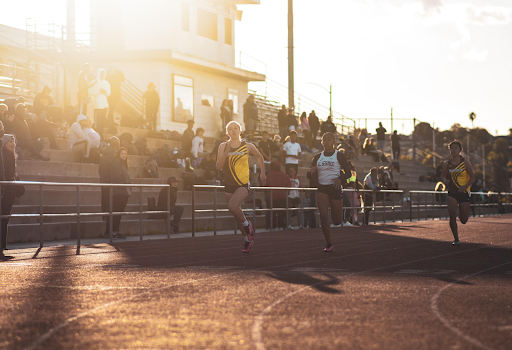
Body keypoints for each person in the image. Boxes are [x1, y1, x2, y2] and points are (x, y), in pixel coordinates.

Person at [216, 121, 266, 253]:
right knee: (235, 213)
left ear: (240, 130)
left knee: (233, 206)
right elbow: (218, 167)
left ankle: (247, 225)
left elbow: (260, 157)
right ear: (227, 132)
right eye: (230, 129)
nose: (233, 131)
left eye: (235, 128)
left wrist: (263, 173)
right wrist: (226, 151)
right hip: (228, 183)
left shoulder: (247, 146)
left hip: (242, 183)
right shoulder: (222, 146)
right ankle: (247, 239)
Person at [307, 132, 351, 252]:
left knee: (337, 221)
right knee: (323, 215)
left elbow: (348, 173)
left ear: (334, 142)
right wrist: (312, 172)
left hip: (335, 188)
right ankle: (329, 243)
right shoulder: (317, 157)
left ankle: (338, 218)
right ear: (322, 142)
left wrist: (340, 179)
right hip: (322, 188)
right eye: (324, 140)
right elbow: (309, 174)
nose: (326, 142)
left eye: (329, 140)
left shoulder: (339, 155)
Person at [441, 140, 475, 245]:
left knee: (463, 220)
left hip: (464, 192)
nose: (454, 150)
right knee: (452, 213)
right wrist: (444, 180)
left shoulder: (465, 162)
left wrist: (465, 187)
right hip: (452, 192)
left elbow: (472, 177)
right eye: (452, 148)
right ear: (449, 150)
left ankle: (462, 211)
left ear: (460, 150)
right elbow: (442, 175)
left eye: (456, 148)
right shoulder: (447, 163)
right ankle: (456, 238)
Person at [1, 134, 25, 252]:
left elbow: (13, 173)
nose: (13, 144)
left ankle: (3, 244)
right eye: (10, 142)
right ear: (4, 143)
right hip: (4, 190)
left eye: (14, 142)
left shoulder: (11, 156)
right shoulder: (3, 155)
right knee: (3, 217)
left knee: (5, 218)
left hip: (10, 191)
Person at [100, 136, 120, 237]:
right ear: (116, 144)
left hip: (103, 182)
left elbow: (100, 168)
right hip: (111, 183)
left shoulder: (104, 154)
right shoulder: (115, 155)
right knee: (112, 206)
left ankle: (108, 230)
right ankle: (109, 231)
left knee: (106, 204)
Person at [110, 147, 131, 239]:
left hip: (124, 192)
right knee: (117, 212)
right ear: (118, 154)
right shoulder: (117, 161)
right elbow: (117, 176)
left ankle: (116, 231)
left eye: (125, 154)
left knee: (119, 212)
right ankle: (114, 232)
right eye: (122, 153)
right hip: (119, 192)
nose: (124, 155)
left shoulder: (124, 164)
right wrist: (124, 187)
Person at [265, 161, 291, 230]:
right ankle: (281, 226)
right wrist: (287, 193)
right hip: (282, 197)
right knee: (281, 213)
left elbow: (266, 184)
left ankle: (272, 226)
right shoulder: (285, 175)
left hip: (271, 197)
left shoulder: (270, 174)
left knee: (272, 213)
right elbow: (289, 185)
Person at [89, 68, 111, 138]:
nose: (102, 75)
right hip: (97, 105)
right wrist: (98, 91)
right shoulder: (94, 82)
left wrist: (104, 92)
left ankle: (101, 136)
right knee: (97, 123)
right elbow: (90, 92)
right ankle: (97, 136)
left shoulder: (106, 83)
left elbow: (109, 93)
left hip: (104, 105)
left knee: (102, 122)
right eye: (101, 74)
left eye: (103, 74)